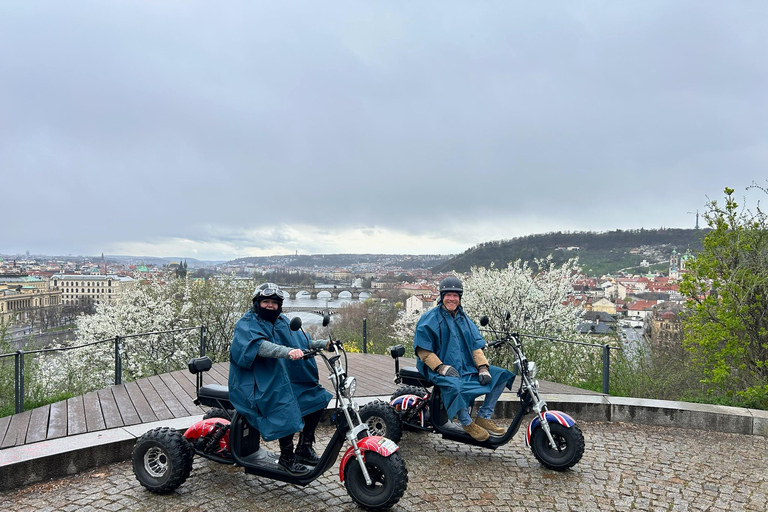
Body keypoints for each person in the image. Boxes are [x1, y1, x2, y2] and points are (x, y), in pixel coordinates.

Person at [229, 283, 333, 475]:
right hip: (256, 382)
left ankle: (304, 446)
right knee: (284, 405)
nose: (270, 306)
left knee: (317, 396)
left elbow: (302, 342)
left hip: (280, 378)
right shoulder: (247, 323)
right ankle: (286, 458)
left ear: (279, 305)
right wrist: (286, 352)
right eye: (266, 301)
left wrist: (324, 344)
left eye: (274, 303)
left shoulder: (282, 321)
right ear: (257, 302)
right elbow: (260, 346)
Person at [413, 276, 515, 441]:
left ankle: (483, 416)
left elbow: (475, 345)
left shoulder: (463, 318)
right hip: (436, 367)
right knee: (454, 385)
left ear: (460, 298)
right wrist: (440, 367)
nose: (452, 299)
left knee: (502, 375)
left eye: (456, 295)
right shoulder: (430, 318)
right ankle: (466, 422)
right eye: (448, 295)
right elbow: (423, 350)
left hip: (465, 365)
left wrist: (483, 367)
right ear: (442, 296)